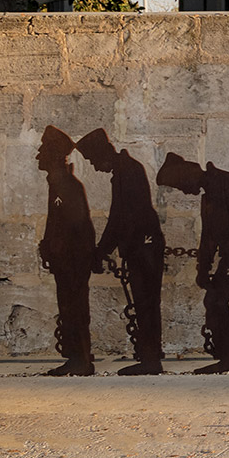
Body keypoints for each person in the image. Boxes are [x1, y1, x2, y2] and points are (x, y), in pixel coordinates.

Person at [156, 152, 229, 374]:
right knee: (215, 300)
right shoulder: (213, 188)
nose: (184, 191)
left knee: (216, 301)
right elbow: (209, 235)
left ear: (187, 175)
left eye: (180, 185)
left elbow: (216, 232)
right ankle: (227, 352)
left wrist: (207, 267)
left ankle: (226, 359)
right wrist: (203, 268)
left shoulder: (220, 184)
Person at [76, 128, 165, 376]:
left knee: (146, 304)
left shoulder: (126, 172)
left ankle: (150, 360)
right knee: (146, 304)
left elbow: (120, 218)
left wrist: (101, 250)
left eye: (93, 161)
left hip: (143, 248)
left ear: (103, 152)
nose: (95, 167)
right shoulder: (126, 171)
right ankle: (150, 357)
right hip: (141, 247)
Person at [37, 125, 96, 376]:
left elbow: (76, 225)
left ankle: (80, 359)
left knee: (74, 308)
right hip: (67, 259)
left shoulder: (66, 185)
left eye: (42, 152)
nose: (37, 156)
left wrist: (57, 248)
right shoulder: (59, 183)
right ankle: (76, 357)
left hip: (72, 260)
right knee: (70, 307)